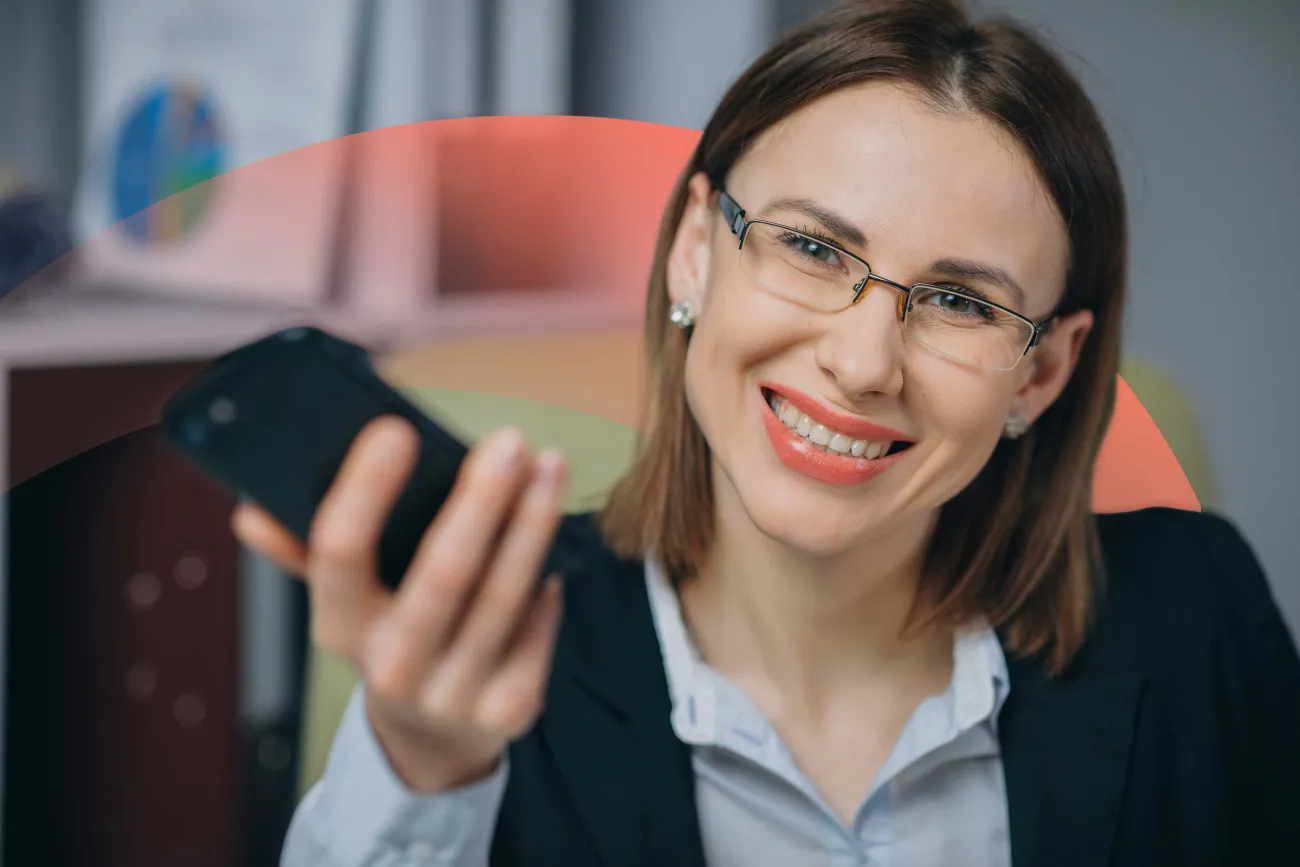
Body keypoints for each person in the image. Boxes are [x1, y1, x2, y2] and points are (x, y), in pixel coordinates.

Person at [245, 1, 1300, 864]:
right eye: (811, 248)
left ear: (1043, 371)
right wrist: (425, 767)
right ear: (695, 251)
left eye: (961, 303)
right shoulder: (492, 648)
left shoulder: (1198, 614)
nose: (863, 362)